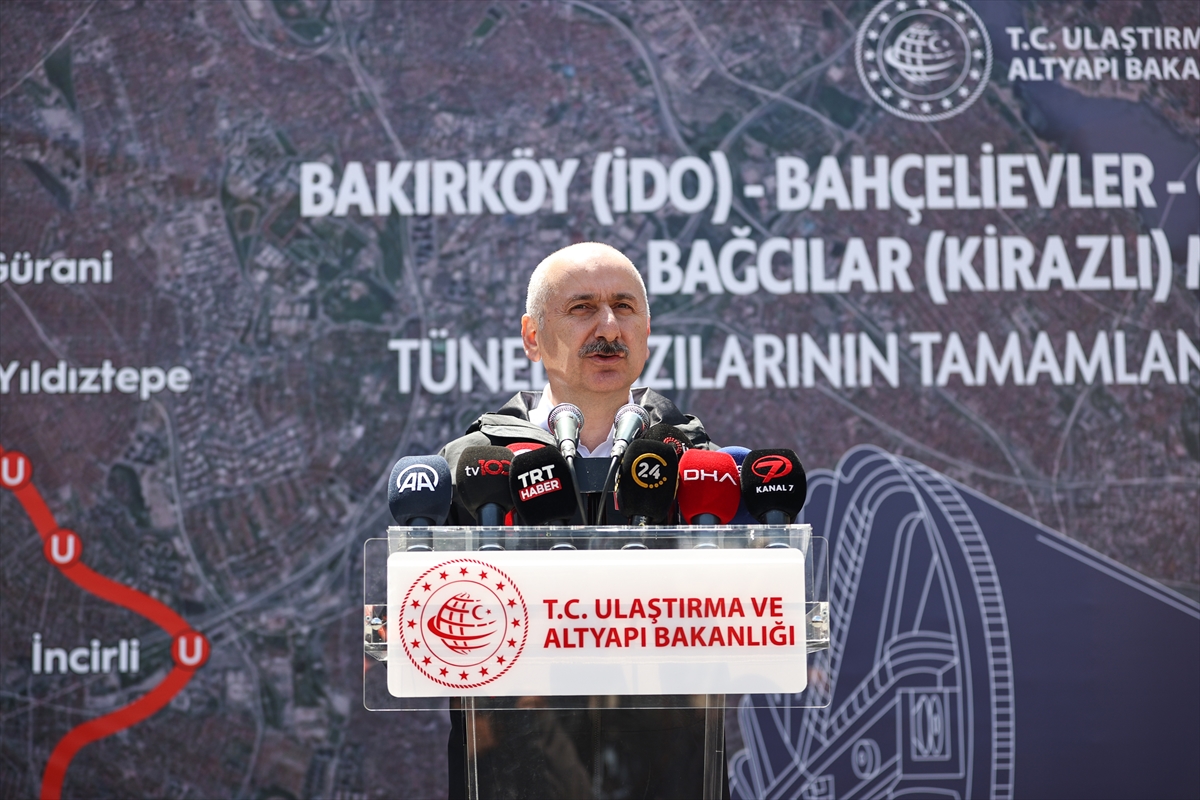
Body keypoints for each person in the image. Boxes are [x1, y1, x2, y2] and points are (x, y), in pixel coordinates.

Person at [439, 242, 728, 799]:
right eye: (581, 308)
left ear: (646, 332)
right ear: (531, 336)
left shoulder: (701, 465)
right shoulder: (472, 467)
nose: (608, 327)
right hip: (516, 772)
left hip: (667, 771)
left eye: (624, 308)